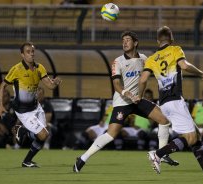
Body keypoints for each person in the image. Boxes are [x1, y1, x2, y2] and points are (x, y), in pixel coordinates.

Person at [73, 31, 177, 173]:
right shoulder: (118, 61)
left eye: (128, 40)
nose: (125, 42)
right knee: (111, 134)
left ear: (135, 43)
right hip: (122, 101)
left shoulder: (144, 59)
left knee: (164, 120)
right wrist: (126, 93)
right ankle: (82, 158)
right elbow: (116, 84)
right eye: (123, 40)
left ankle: (161, 154)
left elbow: (147, 77)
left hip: (138, 100)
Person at [135, 26, 203, 180]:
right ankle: (158, 154)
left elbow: (143, 79)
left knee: (196, 134)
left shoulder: (151, 59)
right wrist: (201, 73)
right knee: (191, 137)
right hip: (175, 100)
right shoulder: (175, 49)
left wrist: (140, 96)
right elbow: (184, 65)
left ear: (158, 40)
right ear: (171, 39)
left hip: (164, 103)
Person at [0, 42, 62, 168]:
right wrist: (0, 105)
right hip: (23, 110)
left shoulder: (39, 68)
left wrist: (56, 83)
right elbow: (3, 85)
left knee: (43, 136)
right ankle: (21, 129)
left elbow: (49, 85)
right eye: (28, 51)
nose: (31, 54)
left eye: (33, 51)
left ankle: (27, 161)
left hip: (36, 107)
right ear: (22, 54)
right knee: (43, 134)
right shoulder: (16, 69)